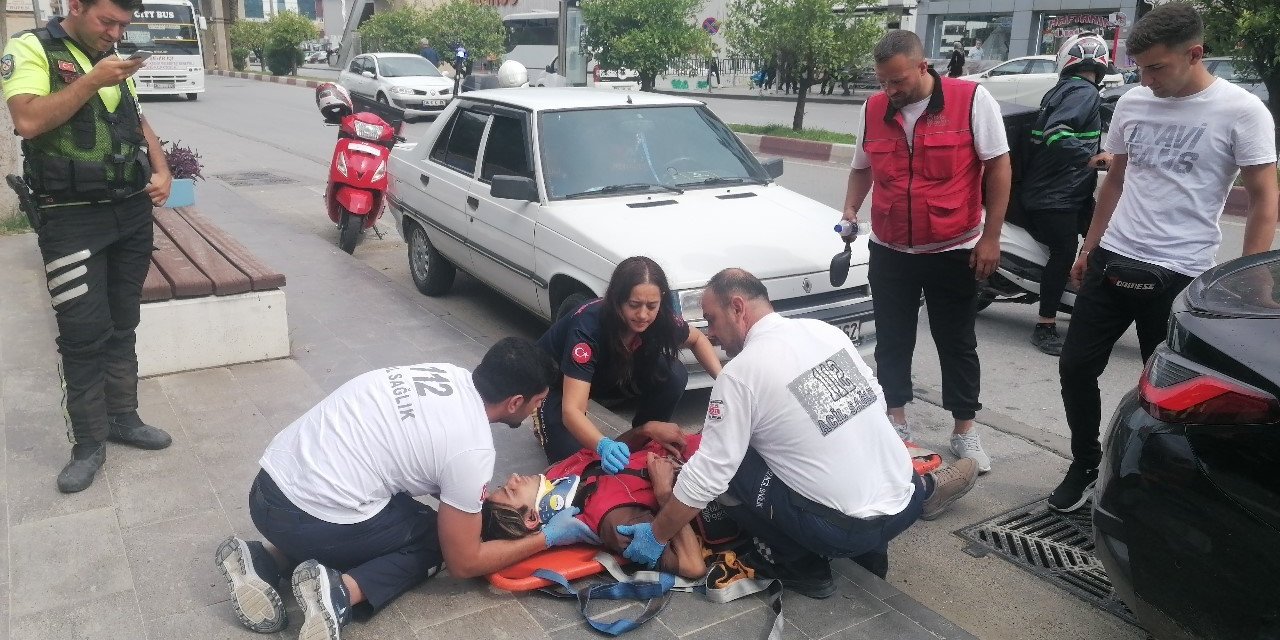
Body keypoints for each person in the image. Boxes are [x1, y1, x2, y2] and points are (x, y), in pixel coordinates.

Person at [617, 269, 981, 598]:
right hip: (903, 505)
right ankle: (877, 552)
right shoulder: (823, 332)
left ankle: (800, 567)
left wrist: (658, 535)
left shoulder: (741, 373)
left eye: (711, 320)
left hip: (841, 531)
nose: (710, 334)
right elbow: (875, 400)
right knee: (841, 426)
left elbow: (709, 475)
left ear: (738, 307)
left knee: (728, 463)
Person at [212, 338, 601, 638]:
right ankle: (338, 593)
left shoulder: (444, 374)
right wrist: (547, 538)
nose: (536, 410)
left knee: (394, 505)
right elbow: (464, 563)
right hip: (305, 517)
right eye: (537, 402)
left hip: (266, 489)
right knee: (433, 539)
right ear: (516, 402)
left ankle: (265, 560)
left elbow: (424, 462)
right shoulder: (472, 447)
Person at [1048, 3, 1277, 512]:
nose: (1146, 79)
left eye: (1157, 68)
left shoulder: (1241, 111)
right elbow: (1116, 183)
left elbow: (1265, 197)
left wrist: (1247, 280)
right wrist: (1089, 248)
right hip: (1114, 258)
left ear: (1194, 54)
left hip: (1183, 272)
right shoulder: (1133, 103)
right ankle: (1084, 463)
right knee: (1074, 368)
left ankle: (1153, 482)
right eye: (1139, 69)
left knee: (1169, 396)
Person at [1, 0, 176, 493]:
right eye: (107, 21)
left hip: (130, 213)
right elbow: (28, 121)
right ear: (75, 6)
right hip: (70, 219)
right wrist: (91, 80)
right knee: (82, 335)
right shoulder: (31, 48)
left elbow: (136, 122)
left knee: (124, 322)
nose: (115, 32)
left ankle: (123, 417)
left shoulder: (113, 58)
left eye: (124, 24)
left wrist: (162, 170)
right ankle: (88, 442)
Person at [839, 30, 1011, 473]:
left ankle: (965, 431)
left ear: (923, 66)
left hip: (954, 247)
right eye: (882, 81)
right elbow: (862, 167)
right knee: (893, 340)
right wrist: (850, 209)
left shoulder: (971, 100)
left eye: (897, 81)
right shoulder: (874, 108)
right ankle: (896, 423)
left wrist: (991, 236)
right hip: (891, 247)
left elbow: (998, 166)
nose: (889, 91)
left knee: (956, 340)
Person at [534, 256, 721, 468]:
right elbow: (572, 410)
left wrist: (724, 381)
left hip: (606, 375)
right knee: (572, 464)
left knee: (674, 373)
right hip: (558, 383)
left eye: (652, 305)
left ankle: (643, 436)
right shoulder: (587, 326)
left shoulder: (659, 317)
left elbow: (697, 339)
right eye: (634, 305)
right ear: (617, 299)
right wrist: (602, 445)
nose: (643, 315)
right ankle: (541, 415)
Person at [481, 433, 709, 579]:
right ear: (532, 518)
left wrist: (645, 430)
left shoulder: (556, 474)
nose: (513, 477)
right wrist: (665, 495)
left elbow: (611, 453)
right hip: (718, 467)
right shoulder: (612, 522)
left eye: (505, 484)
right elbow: (692, 566)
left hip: (695, 439)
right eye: (511, 491)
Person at [1021, 33, 1114, 356]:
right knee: (1065, 252)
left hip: (1063, 190)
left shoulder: (1064, 90)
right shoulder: (1083, 92)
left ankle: (1084, 307)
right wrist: (1092, 159)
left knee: (1102, 241)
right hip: (1055, 195)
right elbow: (1057, 134)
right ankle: (1045, 324)